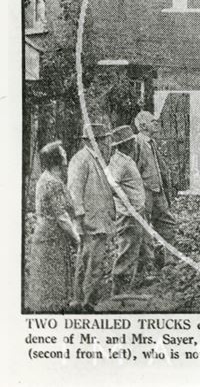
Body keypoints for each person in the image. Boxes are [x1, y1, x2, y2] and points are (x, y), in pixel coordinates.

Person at [28, 141, 81, 312]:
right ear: (56, 158)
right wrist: (76, 237)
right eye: (62, 152)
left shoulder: (48, 178)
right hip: (51, 237)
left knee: (48, 280)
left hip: (48, 235)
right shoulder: (52, 182)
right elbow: (61, 217)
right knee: (52, 281)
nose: (65, 153)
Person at [67, 123, 115, 312]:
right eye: (103, 139)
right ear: (92, 141)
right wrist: (78, 220)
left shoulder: (95, 159)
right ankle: (85, 302)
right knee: (90, 262)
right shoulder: (81, 160)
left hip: (98, 220)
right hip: (90, 221)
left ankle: (83, 300)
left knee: (91, 261)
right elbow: (74, 192)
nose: (106, 143)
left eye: (105, 139)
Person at [134, 111, 176, 275]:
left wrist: (166, 185)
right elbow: (134, 170)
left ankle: (169, 261)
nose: (156, 124)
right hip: (145, 192)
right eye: (153, 121)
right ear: (143, 126)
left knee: (167, 223)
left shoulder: (152, 143)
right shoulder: (137, 143)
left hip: (158, 191)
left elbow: (160, 168)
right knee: (144, 228)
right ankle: (148, 265)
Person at [109, 125, 146, 296]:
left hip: (136, 212)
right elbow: (113, 185)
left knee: (135, 249)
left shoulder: (126, 159)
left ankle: (130, 287)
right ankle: (118, 291)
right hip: (128, 215)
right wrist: (128, 206)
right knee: (126, 250)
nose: (133, 144)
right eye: (130, 141)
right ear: (124, 144)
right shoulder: (119, 162)